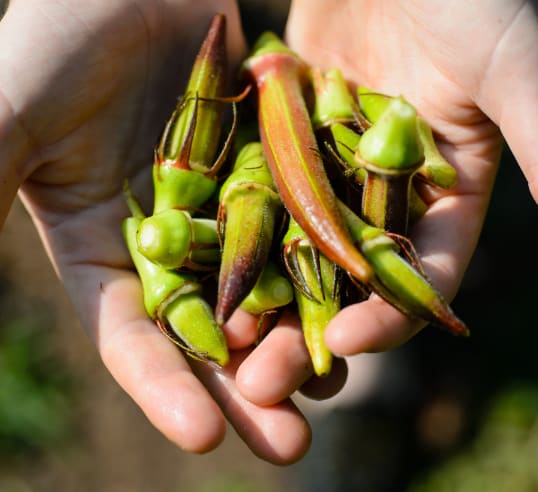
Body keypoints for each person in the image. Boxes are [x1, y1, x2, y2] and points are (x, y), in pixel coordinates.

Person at [0, 0, 535, 465]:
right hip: (260, 87)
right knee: (340, 313)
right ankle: (361, 388)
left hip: (332, 64)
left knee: (353, 313)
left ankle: (370, 373)